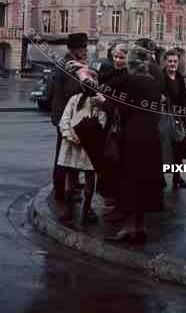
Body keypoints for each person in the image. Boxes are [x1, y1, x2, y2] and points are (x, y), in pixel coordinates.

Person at [105, 46, 164, 244]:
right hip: (152, 138)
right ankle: (140, 226)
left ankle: (129, 228)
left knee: (129, 183)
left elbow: (106, 91)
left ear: (130, 65)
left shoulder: (129, 80)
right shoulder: (155, 83)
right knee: (145, 183)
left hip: (132, 137)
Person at [57, 67, 106, 226]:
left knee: (90, 176)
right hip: (73, 144)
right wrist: (71, 135)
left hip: (90, 146)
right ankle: (68, 209)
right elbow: (64, 120)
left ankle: (86, 209)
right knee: (70, 177)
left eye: (92, 81)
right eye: (85, 81)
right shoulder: (75, 99)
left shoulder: (99, 101)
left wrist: (89, 136)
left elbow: (102, 122)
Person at [47, 32, 88, 202]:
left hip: (61, 117)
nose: (85, 51)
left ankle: (68, 188)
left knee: (65, 155)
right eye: (83, 48)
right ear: (74, 50)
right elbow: (74, 94)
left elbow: (49, 92)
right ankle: (61, 192)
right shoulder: (71, 66)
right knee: (64, 157)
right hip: (68, 119)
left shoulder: (61, 63)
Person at [98, 43, 129, 220]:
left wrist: (104, 102)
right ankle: (109, 200)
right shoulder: (108, 71)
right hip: (107, 122)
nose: (117, 60)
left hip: (119, 124)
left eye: (121, 57)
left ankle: (116, 201)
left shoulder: (127, 77)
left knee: (115, 160)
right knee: (107, 161)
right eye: (115, 56)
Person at [161, 49, 186, 189]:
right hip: (164, 117)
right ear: (165, 62)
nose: (172, 64)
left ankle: (177, 177)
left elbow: (184, 100)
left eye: (175, 61)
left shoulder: (180, 78)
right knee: (164, 149)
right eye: (170, 61)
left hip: (178, 117)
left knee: (178, 148)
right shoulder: (160, 78)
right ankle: (160, 177)